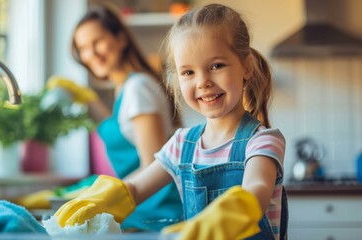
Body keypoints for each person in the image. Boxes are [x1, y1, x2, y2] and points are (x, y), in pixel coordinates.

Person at [53, 3, 288, 239]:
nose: (203, 81)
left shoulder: (263, 141)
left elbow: (256, 189)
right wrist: (104, 199)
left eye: (216, 66)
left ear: (246, 67)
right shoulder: (180, 145)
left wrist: (231, 213)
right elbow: (136, 188)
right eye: (188, 72)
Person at [48, 4, 183, 232]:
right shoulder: (126, 88)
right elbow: (121, 129)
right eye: (83, 48)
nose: (91, 53)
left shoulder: (138, 87)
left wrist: (100, 191)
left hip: (157, 214)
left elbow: (152, 165)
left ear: (120, 39)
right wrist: (88, 99)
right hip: (142, 210)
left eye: (97, 41)